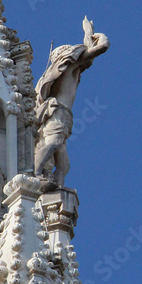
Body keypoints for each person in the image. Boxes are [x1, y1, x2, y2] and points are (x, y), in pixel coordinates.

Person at [35, 18, 110, 187]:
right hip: (58, 111)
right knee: (53, 144)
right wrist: (97, 35)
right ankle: (36, 173)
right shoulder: (67, 65)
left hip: (64, 114)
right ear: (67, 54)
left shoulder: (69, 69)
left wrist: (88, 35)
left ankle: (58, 190)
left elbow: (88, 58)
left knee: (63, 165)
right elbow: (102, 46)